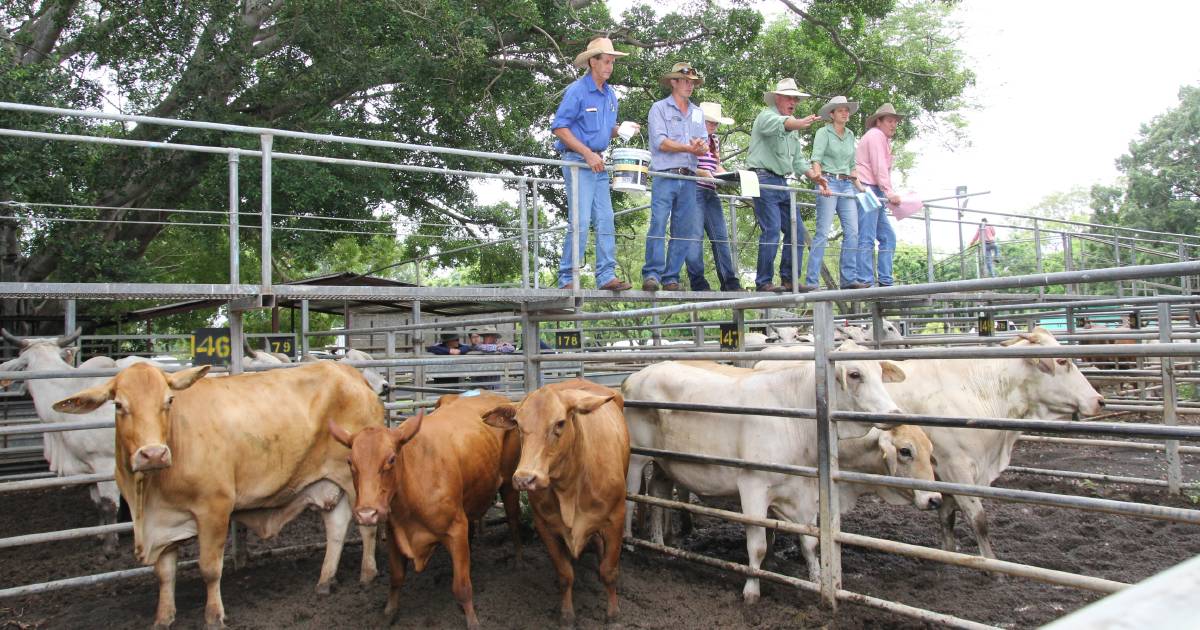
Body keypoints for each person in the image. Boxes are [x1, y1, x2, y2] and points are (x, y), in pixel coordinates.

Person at [551, 37, 637, 292]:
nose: (611, 66)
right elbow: (559, 127)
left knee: (606, 218)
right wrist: (587, 153)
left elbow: (603, 130)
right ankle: (567, 278)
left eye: (612, 62)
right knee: (579, 220)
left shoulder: (611, 95)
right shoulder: (577, 91)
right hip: (579, 161)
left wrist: (621, 130)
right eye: (607, 61)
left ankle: (606, 275)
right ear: (592, 62)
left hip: (598, 161)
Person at [747, 78, 827, 293]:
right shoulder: (766, 116)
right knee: (771, 229)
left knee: (797, 232)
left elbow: (798, 161)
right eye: (790, 97)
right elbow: (783, 124)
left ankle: (789, 279)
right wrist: (798, 122)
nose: (793, 102)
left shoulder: (793, 126)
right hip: (762, 179)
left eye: (796, 99)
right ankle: (763, 282)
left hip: (782, 182)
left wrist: (814, 176)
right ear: (778, 98)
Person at [642, 62, 708, 292]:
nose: (690, 85)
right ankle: (652, 274)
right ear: (673, 82)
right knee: (658, 222)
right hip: (665, 174)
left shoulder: (698, 112)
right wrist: (691, 149)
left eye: (692, 82)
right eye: (685, 81)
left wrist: (700, 147)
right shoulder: (659, 108)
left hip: (689, 177)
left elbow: (704, 143)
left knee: (684, 229)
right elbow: (661, 142)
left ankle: (671, 277)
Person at [808, 96, 867, 290]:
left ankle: (848, 279)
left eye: (846, 110)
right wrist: (821, 182)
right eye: (840, 110)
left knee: (853, 232)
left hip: (847, 184)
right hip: (828, 180)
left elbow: (852, 166)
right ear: (832, 114)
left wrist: (862, 189)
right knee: (823, 232)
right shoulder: (823, 133)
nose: (845, 113)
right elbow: (816, 159)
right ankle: (812, 281)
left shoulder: (850, 135)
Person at [689, 101, 742, 292]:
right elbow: (684, 163)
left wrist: (733, 175)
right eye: (709, 121)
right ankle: (698, 282)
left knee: (721, 236)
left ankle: (729, 281)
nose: (713, 125)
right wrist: (699, 172)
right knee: (694, 236)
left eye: (715, 123)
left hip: (711, 190)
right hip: (693, 188)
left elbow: (716, 166)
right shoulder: (691, 137)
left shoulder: (714, 141)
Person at [855, 103, 904, 287]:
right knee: (866, 236)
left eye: (895, 122)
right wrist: (889, 192)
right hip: (867, 188)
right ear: (879, 121)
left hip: (875, 190)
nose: (893, 125)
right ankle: (866, 281)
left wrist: (886, 193)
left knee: (887, 237)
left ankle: (885, 281)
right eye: (890, 121)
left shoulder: (883, 139)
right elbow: (879, 167)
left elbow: (883, 169)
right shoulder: (875, 136)